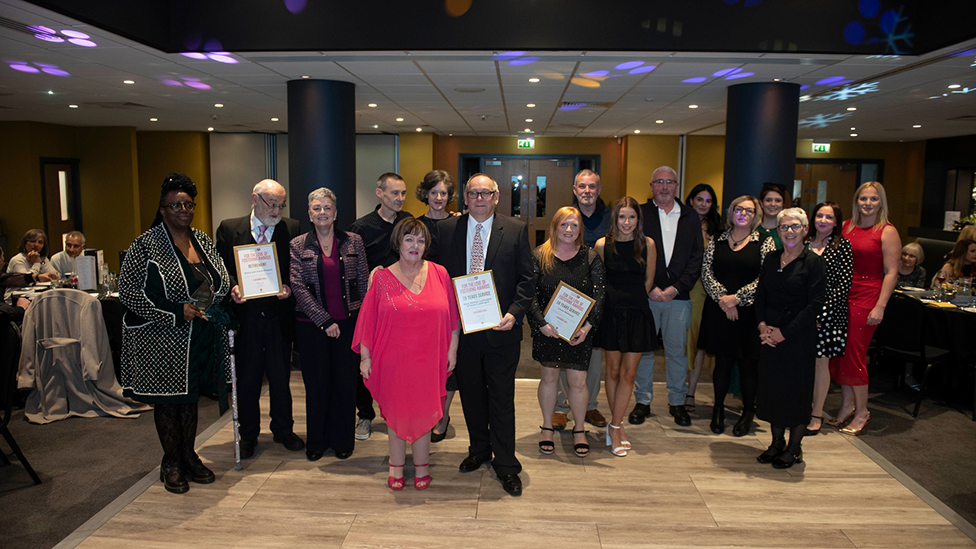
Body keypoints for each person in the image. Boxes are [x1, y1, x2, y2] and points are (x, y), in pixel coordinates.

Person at [119, 173, 233, 494]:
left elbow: (221, 276)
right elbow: (128, 292)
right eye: (176, 205)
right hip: (162, 339)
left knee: (190, 399)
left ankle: (188, 455)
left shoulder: (201, 239)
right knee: (169, 403)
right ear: (163, 209)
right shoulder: (146, 244)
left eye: (188, 204)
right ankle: (170, 462)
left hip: (197, 335)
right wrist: (174, 310)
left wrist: (211, 296)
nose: (183, 209)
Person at [429, 173, 534, 497]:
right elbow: (436, 277)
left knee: (502, 400)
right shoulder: (447, 230)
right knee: (471, 396)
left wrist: (514, 314)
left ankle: (506, 465)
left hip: (501, 331)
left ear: (496, 196)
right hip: (462, 334)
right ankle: (479, 450)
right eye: (473, 193)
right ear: (465, 197)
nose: (479, 198)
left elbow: (527, 280)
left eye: (485, 193)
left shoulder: (515, 230)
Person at [353, 218, 459, 490]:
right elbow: (368, 322)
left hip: (430, 358)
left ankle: (423, 466)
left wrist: (452, 349)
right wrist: (366, 358)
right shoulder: (381, 278)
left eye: (421, 240)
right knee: (396, 412)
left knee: (425, 410)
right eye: (409, 239)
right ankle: (396, 466)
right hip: (393, 359)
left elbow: (453, 319)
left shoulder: (440, 273)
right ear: (398, 243)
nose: (415, 245)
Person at [215, 179, 304, 459]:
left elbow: (296, 267)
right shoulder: (230, 228)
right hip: (246, 318)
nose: (277, 210)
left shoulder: (292, 228)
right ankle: (249, 434)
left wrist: (288, 287)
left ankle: (283, 429)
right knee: (248, 379)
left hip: (278, 318)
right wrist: (232, 287)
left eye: (281, 204)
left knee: (280, 378)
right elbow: (220, 269)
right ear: (255, 199)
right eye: (272, 204)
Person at [291, 188, 369, 461]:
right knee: (316, 384)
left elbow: (363, 281)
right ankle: (317, 441)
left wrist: (360, 321)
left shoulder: (353, 241)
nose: (322, 212)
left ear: (335, 213)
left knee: (345, 384)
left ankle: (342, 440)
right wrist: (324, 321)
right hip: (312, 327)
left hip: (348, 324)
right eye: (317, 208)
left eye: (327, 207)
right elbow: (298, 287)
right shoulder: (297, 244)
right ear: (309, 214)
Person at [527, 207, 605, 458]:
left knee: (578, 381)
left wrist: (588, 327)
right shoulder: (539, 255)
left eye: (574, 225)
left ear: (580, 229)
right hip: (547, 330)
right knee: (549, 378)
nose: (569, 230)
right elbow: (530, 294)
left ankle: (579, 429)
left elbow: (600, 295)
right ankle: (547, 426)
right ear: (555, 226)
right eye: (564, 224)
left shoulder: (590, 257)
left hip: (579, 333)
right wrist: (541, 324)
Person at [630, 166, 703, 427]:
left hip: (678, 296)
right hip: (647, 295)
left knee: (676, 352)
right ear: (651, 186)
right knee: (645, 351)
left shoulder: (691, 216)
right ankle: (643, 401)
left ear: (677, 186)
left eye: (669, 182)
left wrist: (677, 288)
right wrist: (649, 287)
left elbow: (697, 257)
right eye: (659, 182)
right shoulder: (640, 213)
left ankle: (677, 402)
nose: (664, 186)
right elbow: (634, 252)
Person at [755, 207, 826, 468]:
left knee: (795, 392)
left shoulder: (814, 262)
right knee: (773, 390)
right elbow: (761, 295)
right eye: (784, 226)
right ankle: (776, 443)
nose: (789, 231)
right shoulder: (772, 259)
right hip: (770, 335)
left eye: (795, 226)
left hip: (797, 337)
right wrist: (763, 326)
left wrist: (784, 332)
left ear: (805, 230)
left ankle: (794, 448)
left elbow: (815, 305)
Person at [828, 182, 901, 436]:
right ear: (856, 201)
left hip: (869, 296)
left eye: (873, 199)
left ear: (881, 202)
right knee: (840, 353)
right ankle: (847, 405)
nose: (868, 203)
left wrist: (880, 306)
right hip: (843, 295)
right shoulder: (846, 226)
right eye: (863, 199)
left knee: (854, 354)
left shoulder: (887, 231)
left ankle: (862, 412)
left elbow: (892, 273)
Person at [699, 196, 775, 436]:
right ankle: (718, 409)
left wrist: (737, 299)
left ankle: (747, 413)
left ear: (756, 215)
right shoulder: (717, 240)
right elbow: (706, 272)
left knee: (748, 365)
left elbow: (766, 278)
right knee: (721, 363)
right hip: (719, 311)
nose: (743, 214)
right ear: (731, 213)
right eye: (738, 209)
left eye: (749, 211)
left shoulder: (765, 242)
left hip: (751, 313)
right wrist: (724, 299)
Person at [349, 172, 413, 440]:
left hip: (403, 306)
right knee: (365, 361)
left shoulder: (408, 221)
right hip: (372, 306)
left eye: (403, 193)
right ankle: (365, 415)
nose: (400, 199)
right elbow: (351, 268)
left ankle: (397, 413)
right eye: (394, 193)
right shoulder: (362, 228)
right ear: (380, 194)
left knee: (399, 363)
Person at [595, 197, 655, 457]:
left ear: (638, 220)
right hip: (610, 313)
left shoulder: (647, 244)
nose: (627, 222)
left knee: (629, 374)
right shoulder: (601, 245)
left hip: (638, 313)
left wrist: (633, 304)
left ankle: (616, 426)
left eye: (632, 217)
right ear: (615, 219)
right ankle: (616, 426)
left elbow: (648, 282)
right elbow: (598, 280)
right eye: (622, 217)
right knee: (613, 371)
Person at [553, 169, 611, 431]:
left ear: (599, 190)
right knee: (562, 353)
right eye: (582, 187)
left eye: (592, 187)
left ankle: (590, 405)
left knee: (592, 356)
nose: (587, 191)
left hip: (596, 297)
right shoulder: (566, 215)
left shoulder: (610, 218)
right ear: (575, 189)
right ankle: (562, 408)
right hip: (566, 298)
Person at [415, 170, 459, 443]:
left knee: (450, 361)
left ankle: (442, 415)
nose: (439, 198)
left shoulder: (459, 223)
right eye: (434, 193)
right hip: (424, 302)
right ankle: (426, 411)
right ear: (426, 195)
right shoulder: (415, 226)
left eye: (443, 193)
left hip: (454, 300)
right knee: (426, 361)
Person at [804, 201, 853, 436]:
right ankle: (800, 408)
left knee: (820, 363)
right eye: (820, 216)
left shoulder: (843, 246)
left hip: (828, 316)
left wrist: (819, 314)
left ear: (836, 222)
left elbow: (842, 287)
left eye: (829, 218)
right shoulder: (803, 243)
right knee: (800, 362)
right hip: (801, 315)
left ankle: (816, 413)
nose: (823, 221)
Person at [684, 184, 721, 413]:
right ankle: (682, 391)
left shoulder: (718, 229)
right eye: (699, 199)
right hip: (686, 289)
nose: (703, 204)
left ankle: (693, 391)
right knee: (686, 341)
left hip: (711, 293)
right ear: (690, 200)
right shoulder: (681, 224)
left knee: (702, 343)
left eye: (708, 200)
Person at [5, 229, 58, 301]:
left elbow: (54, 277)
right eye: (33, 241)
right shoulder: (17, 260)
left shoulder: (43, 258)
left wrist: (39, 261)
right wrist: (36, 263)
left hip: (35, 297)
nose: (36, 245)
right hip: (15, 300)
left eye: (40, 242)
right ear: (25, 243)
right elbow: (27, 282)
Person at [757, 183, 791, 250]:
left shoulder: (788, 230)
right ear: (761, 203)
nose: (773, 204)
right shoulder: (752, 227)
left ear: (783, 204)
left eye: (778, 201)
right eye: (768, 200)